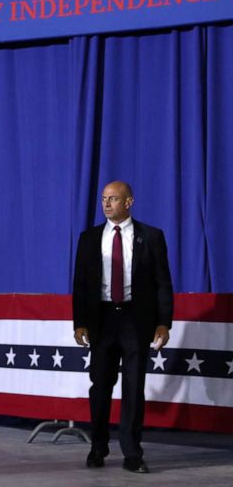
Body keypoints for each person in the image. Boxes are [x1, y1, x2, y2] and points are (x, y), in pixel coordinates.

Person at [72, 181, 173, 473]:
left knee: (133, 388)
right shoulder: (89, 238)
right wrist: (80, 323)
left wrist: (164, 323)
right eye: (104, 199)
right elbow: (80, 284)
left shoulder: (151, 237)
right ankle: (98, 446)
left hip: (135, 321)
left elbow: (163, 284)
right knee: (100, 386)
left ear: (129, 202)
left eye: (113, 199)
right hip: (102, 320)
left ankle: (132, 453)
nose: (106, 204)